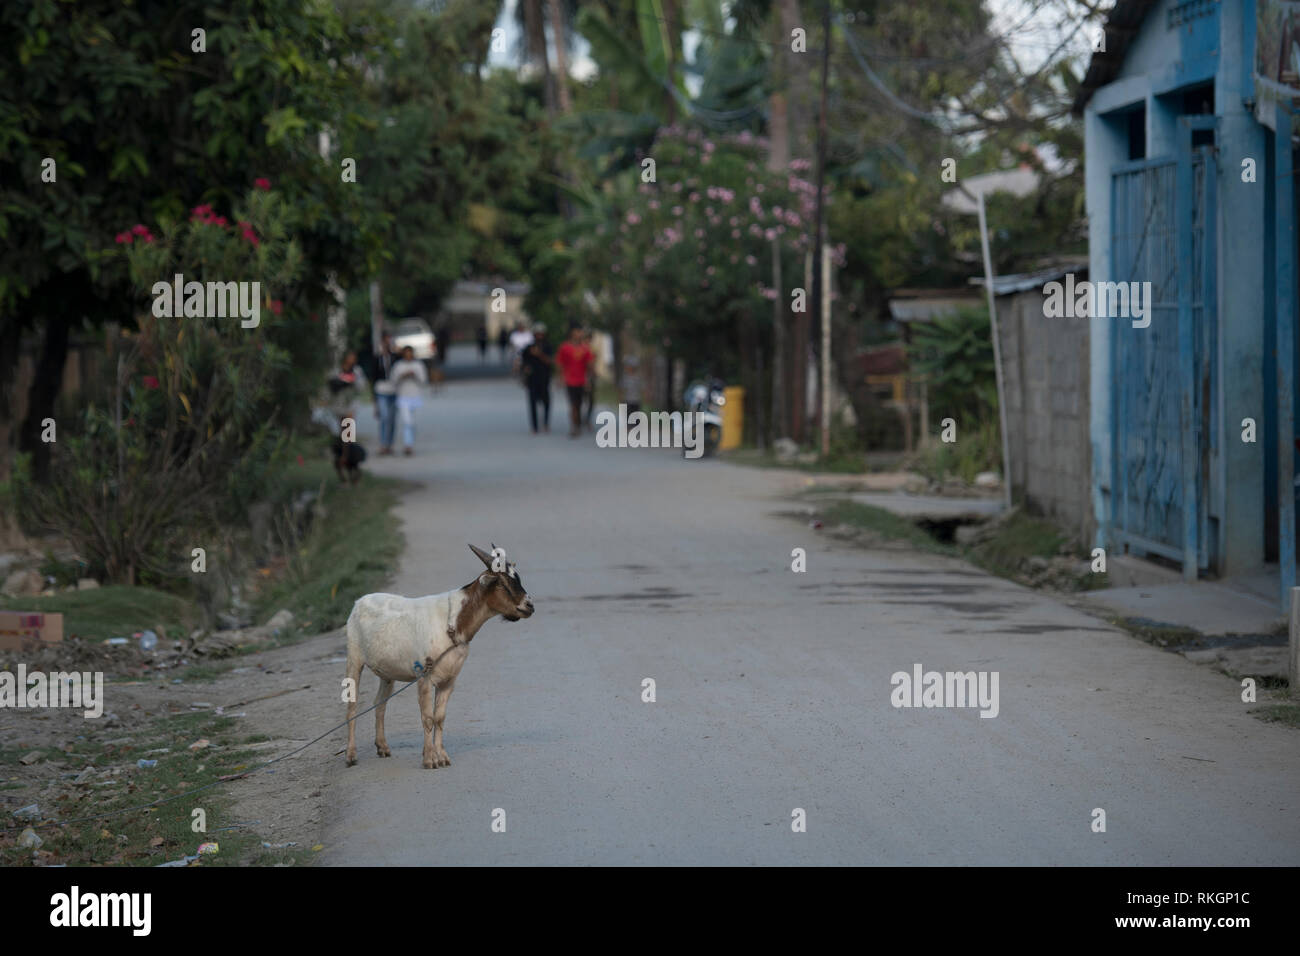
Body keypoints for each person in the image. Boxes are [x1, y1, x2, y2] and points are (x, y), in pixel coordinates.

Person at [555, 324, 594, 438]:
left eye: (580, 332)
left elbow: (590, 365)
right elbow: (560, 363)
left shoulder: (585, 349)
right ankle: (574, 426)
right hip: (570, 380)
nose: (579, 334)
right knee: (573, 405)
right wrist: (560, 378)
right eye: (577, 331)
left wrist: (588, 380)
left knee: (579, 404)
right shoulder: (565, 347)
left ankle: (578, 423)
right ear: (572, 333)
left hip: (582, 380)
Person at [390, 345, 428, 456]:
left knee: (412, 423)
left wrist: (414, 375)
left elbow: (424, 381)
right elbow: (393, 381)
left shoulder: (418, 365)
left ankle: (410, 443)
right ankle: (408, 445)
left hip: (415, 397)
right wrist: (402, 376)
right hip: (403, 397)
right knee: (407, 422)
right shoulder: (398, 366)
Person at [369, 332, 399, 455]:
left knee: (392, 419)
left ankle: (389, 444)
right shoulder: (377, 359)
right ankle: (383, 443)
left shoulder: (396, 358)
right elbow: (373, 377)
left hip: (393, 390)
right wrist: (374, 398)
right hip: (381, 390)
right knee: (384, 417)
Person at [521, 324, 554, 434]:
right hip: (532, 380)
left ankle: (545, 424)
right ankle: (534, 427)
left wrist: (539, 354)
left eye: (541, 333)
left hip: (544, 378)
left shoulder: (548, 347)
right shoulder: (528, 348)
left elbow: (550, 362)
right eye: (537, 333)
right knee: (532, 403)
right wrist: (525, 370)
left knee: (546, 403)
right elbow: (523, 363)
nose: (539, 335)